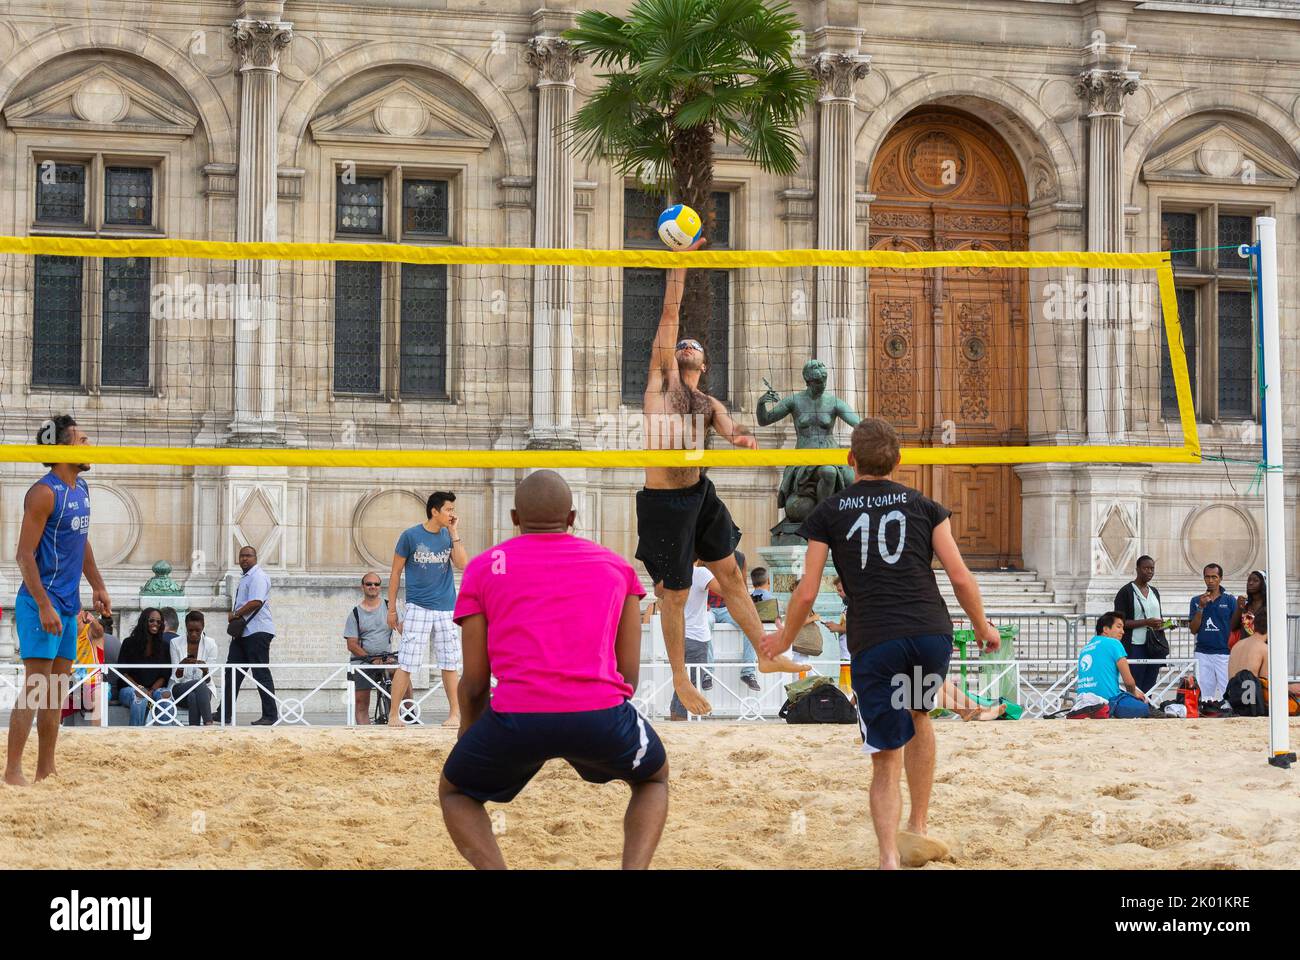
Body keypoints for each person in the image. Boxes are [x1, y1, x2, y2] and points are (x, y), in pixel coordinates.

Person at [763, 418, 999, 870]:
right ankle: (920, 825)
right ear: (900, 460)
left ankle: (890, 857)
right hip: (929, 633)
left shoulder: (829, 511)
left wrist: (783, 638)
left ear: (850, 460)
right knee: (920, 714)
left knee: (886, 756)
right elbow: (960, 575)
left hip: (877, 637)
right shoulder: (926, 506)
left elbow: (807, 591)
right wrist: (983, 626)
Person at [439, 471, 668, 869]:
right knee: (653, 779)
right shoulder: (616, 568)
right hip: (600, 714)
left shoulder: (483, 568)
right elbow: (628, 674)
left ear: (514, 517)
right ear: (573, 517)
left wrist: (469, 734)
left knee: (456, 792)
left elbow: (474, 682)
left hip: (517, 716)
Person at [634, 241, 802, 716]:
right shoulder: (659, 384)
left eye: (696, 348)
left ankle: (766, 656)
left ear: (703, 365)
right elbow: (669, 313)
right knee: (676, 593)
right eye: (683, 345)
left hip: (699, 495)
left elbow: (731, 429)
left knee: (730, 573)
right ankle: (681, 682)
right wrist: (681, 262)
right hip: (664, 503)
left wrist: (743, 438)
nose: (687, 346)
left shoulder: (709, 405)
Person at [5, 415, 112, 786]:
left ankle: (45, 769)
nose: (88, 446)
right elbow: (23, 555)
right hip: (40, 605)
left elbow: (80, 543)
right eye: (82, 440)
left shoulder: (81, 489)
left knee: (55, 693)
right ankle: (12, 771)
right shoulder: (43, 492)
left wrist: (97, 585)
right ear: (63, 448)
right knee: (36, 688)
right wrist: (44, 604)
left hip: (68, 605)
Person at [388, 491, 468, 727]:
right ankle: (394, 714)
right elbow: (395, 573)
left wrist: (454, 533)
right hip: (417, 606)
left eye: (453, 509)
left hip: (446, 607)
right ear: (435, 511)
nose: (452, 514)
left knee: (450, 661)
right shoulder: (410, 536)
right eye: (449, 509)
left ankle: (455, 714)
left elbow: (464, 565)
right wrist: (392, 609)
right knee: (408, 661)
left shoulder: (448, 536)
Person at [222, 545, 278, 725]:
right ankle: (224, 712)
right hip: (244, 633)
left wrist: (236, 614)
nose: (244, 559)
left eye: (248, 556)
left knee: (260, 672)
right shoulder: (246, 577)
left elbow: (256, 601)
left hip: (257, 631)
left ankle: (270, 715)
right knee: (232, 672)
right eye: (241, 556)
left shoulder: (258, 576)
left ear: (255, 558)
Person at [1225, 609, 1300, 716]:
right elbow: (1267, 687)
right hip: (1253, 705)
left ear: (1254, 626)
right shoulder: (1265, 650)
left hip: (1234, 701)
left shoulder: (1237, 646)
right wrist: (1290, 688)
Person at [346, 572, 396, 725]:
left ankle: (409, 714)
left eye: (376, 584)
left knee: (403, 672)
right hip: (363, 661)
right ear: (363, 587)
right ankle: (365, 734)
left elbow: (404, 630)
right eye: (369, 584)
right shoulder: (355, 613)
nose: (373, 586)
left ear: (380, 587)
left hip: (386, 658)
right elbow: (352, 644)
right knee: (361, 703)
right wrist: (372, 659)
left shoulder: (389, 608)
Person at [670, 561, 718, 720]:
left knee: (681, 682)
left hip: (677, 635)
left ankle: (676, 718)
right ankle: (681, 721)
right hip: (696, 636)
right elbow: (725, 589)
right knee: (690, 685)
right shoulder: (701, 573)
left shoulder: (672, 570)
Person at [1076, 612, 1148, 718]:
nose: (1123, 632)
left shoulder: (1085, 648)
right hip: (1108, 703)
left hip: (1083, 704)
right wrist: (1134, 693)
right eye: (1119, 627)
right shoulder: (1114, 643)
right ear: (1105, 629)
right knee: (1144, 707)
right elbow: (1128, 681)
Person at [1113, 555, 1167, 693]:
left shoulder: (1154, 591)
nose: (1149, 571)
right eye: (1146, 568)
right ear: (1137, 569)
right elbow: (1119, 622)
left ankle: (1148, 709)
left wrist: (1165, 624)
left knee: (1151, 683)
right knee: (1135, 683)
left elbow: (1157, 618)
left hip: (1154, 644)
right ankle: (1135, 710)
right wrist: (1146, 622)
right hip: (1135, 645)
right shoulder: (1125, 592)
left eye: (1152, 569)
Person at [708, 549, 758, 691]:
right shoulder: (704, 555)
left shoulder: (739, 557)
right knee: (704, 624)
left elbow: (742, 586)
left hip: (729, 607)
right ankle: (707, 672)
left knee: (750, 626)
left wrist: (747, 607)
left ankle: (748, 672)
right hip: (707, 607)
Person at [117, 608, 176, 726]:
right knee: (139, 696)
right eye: (152, 621)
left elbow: (164, 675)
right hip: (130, 688)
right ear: (144, 622)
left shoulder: (164, 646)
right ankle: (136, 734)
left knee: (166, 695)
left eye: (159, 622)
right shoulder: (129, 643)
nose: (155, 624)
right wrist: (139, 688)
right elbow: (123, 672)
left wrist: (152, 690)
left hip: (153, 689)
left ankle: (164, 737)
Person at [1188, 562, 1235, 701]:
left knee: (1227, 693)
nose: (1210, 580)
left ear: (1220, 578)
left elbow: (1236, 626)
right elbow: (1193, 629)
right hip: (1203, 653)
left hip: (1224, 653)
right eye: (1207, 577)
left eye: (1214, 577)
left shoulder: (1230, 600)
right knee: (1205, 695)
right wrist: (1201, 608)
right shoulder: (1196, 600)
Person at [170, 611, 218, 726]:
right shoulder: (175, 643)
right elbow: (176, 679)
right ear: (185, 627)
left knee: (194, 695)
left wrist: (205, 670)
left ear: (203, 627)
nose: (194, 634)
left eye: (198, 630)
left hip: (203, 693)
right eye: (190, 630)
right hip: (180, 690)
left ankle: (193, 730)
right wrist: (181, 666)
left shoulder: (211, 644)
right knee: (198, 684)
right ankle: (208, 722)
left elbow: (208, 680)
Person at [1229, 570, 1266, 648]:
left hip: (1262, 649)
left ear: (1264, 584)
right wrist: (1239, 608)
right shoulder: (1245, 606)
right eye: (1249, 580)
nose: (1250, 583)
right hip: (1245, 649)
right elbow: (1233, 627)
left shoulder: (1268, 607)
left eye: (1255, 580)